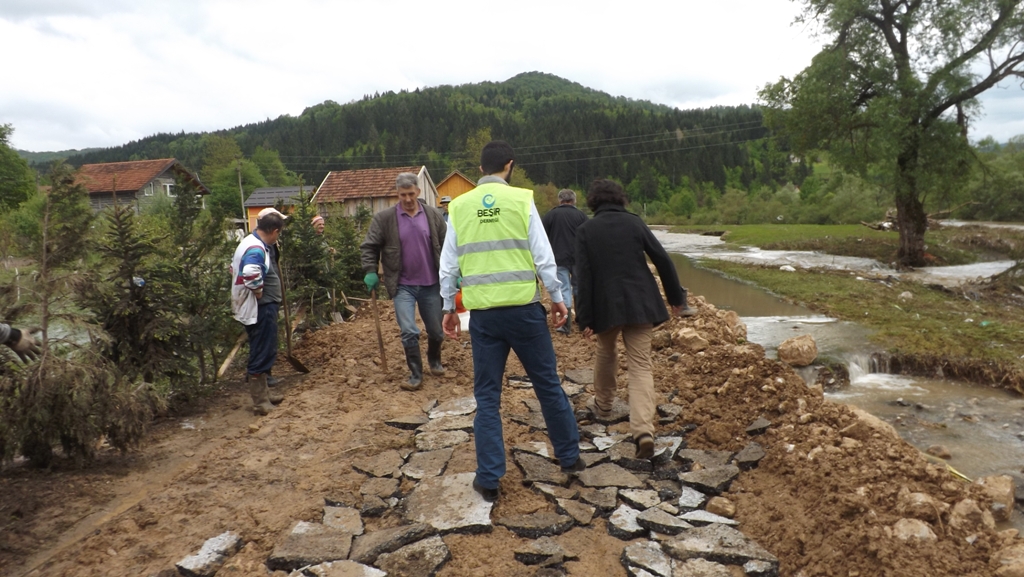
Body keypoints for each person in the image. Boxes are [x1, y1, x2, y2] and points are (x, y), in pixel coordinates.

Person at [440, 140, 583, 503]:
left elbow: (448, 263)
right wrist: (557, 298)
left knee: (487, 397)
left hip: (484, 317)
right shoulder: (521, 199)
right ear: (509, 165)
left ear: (480, 170)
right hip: (524, 312)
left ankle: (489, 479)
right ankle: (570, 458)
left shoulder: (459, 206)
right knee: (547, 385)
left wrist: (447, 308)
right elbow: (542, 253)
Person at [574, 179, 685, 460]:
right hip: (641, 304)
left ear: (593, 202)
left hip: (605, 307)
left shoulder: (586, 230)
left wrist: (584, 317)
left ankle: (604, 405)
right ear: (620, 199)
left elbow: (583, 279)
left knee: (606, 350)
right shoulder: (635, 223)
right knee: (640, 366)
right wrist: (676, 299)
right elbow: (663, 259)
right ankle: (643, 431)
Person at [360, 173, 448, 391]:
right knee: (409, 330)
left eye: (411, 194)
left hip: (431, 283)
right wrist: (370, 270)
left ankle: (434, 360)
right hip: (402, 284)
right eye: (402, 195)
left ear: (418, 192)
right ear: (397, 194)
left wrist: (454, 271)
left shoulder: (433, 215)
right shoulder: (385, 219)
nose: (407, 199)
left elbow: (448, 245)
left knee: (436, 331)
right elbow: (369, 246)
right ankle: (416, 373)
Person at [231, 208, 288, 415]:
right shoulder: (256, 248)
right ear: (273, 230)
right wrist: (258, 290)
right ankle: (260, 402)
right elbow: (250, 273)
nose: (278, 236)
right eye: (278, 233)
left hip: (259, 306)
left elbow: (233, 268)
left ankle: (264, 394)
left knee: (264, 347)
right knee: (262, 350)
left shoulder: (250, 241)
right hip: (260, 307)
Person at [541, 188, 588, 334]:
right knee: (579, 288)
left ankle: (565, 325)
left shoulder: (550, 216)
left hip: (558, 259)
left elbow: (542, 238)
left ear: (559, 200)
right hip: (579, 259)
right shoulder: (581, 216)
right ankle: (582, 320)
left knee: (564, 289)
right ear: (574, 201)